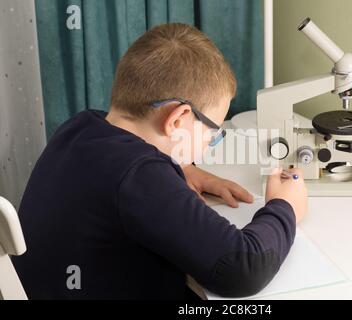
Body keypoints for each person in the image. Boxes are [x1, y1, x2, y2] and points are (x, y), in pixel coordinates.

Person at [13, 23, 308, 300]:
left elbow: (116, 177)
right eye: (213, 131)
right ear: (178, 118)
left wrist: (180, 168)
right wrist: (285, 207)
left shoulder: (80, 126)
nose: (210, 142)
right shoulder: (140, 176)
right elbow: (244, 269)